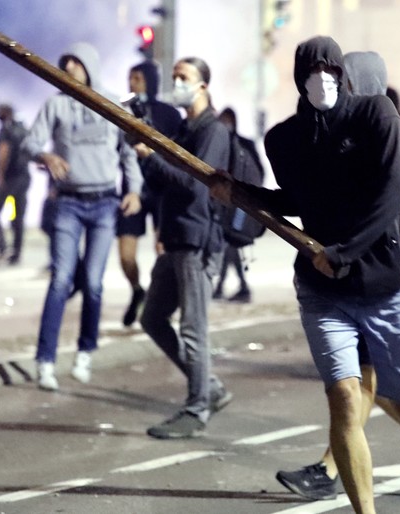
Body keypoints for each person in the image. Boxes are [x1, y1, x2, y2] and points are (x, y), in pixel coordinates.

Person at [211, 36, 400, 514]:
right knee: (346, 400)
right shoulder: (286, 138)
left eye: (330, 68)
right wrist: (241, 192)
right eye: (311, 70)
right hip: (323, 290)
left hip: (384, 283)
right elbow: (296, 200)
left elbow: (397, 193)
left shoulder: (378, 117)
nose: (322, 78)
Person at [22, 42, 142, 391]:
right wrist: (45, 157)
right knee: (60, 280)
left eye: (76, 61)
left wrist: (133, 189)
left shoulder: (110, 103)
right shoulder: (56, 103)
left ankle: (85, 351)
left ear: (90, 65)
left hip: (105, 203)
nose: (70, 66)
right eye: (66, 61)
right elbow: (30, 143)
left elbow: (128, 152)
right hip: (69, 204)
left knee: (93, 282)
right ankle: (45, 360)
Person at [135, 57, 233, 439]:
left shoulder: (213, 132)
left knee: (193, 331)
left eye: (183, 77)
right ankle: (210, 388)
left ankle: (196, 408)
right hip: (175, 237)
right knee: (152, 318)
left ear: (203, 86)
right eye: (174, 76)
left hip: (198, 241)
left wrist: (151, 157)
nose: (176, 82)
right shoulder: (182, 129)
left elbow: (194, 183)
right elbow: (163, 184)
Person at [118, 60, 182, 326]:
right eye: (130, 78)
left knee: (163, 250)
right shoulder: (120, 112)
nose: (133, 84)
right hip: (132, 190)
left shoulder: (169, 114)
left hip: (162, 190)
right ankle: (137, 291)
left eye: (139, 79)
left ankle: (160, 302)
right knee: (126, 255)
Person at [212, 107, 260, 304]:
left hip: (240, 203)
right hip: (230, 203)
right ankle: (235, 286)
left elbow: (258, 172)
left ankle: (232, 286)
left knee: (232, 241)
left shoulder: (242, 145)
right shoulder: (226, 143)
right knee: (230, 243)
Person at [0, 103, 31, 266]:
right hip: (24, 177)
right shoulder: (24, 129)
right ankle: (17, 252)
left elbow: (3, 152)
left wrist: (0, 175)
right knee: (18, 217)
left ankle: (3, 248)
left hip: (10, 178)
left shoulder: (5, 131)